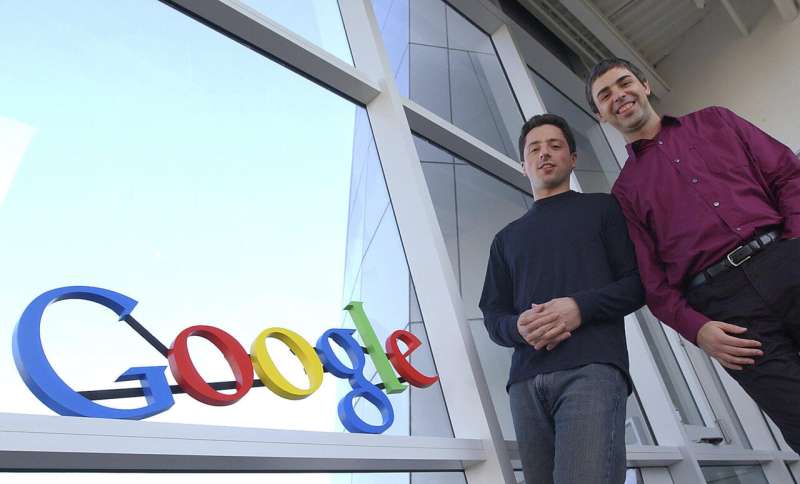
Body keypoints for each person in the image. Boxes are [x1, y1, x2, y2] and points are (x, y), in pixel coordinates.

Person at [586, 57, 800, 451]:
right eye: (605, 95)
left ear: (645, 86)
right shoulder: (625, 194)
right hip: (731, 313)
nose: (619, 95)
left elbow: (788, 174)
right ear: (600, 116)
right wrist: (698, 330)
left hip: (785, 260)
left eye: (624, 83)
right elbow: (653, 283)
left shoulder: (717, 121)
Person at [479, 113, 644, 484]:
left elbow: (637, 284)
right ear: (523, 165)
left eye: (555, 146)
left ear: (572, 159)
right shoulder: (506, 239)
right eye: (534, 149)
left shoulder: (604, 208)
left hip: (592, 370)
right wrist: (518, 328)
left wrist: (579, 308)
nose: (544, 154)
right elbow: (493, 316)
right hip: (524, 384)